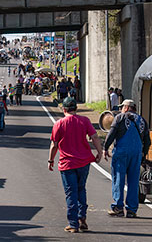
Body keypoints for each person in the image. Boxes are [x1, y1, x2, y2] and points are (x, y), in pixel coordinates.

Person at [48, 97, 103, 233]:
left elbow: (54, 145)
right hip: (84, 162)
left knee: (71, 193)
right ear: (76, 109)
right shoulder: (84, 121)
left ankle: (73, 224)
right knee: (81, 189)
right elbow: (95, 136)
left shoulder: (59, 124)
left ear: (64, 109)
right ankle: (82, 218)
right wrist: (100, 152)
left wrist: (51, 160)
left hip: (67, 164)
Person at [103, 99, 151, 218]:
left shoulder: (120, 118)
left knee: (118, 178)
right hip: (136, 154)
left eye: (122, 107)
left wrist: (105, 148)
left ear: (126, 107)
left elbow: (111, 133)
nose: (120, 109)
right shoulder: (142, 121)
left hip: (121, 153)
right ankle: (131, 210)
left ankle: (118, 207)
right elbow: (147, 141)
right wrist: (143, 154)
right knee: (133, 181)